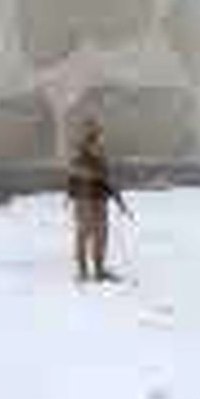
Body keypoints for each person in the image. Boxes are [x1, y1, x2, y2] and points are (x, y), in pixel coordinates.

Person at [66, 117, 129, 282]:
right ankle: (83, 270)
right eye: (90, 128)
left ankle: (99, 269)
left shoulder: (99, 149)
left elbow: (107, 175)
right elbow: (74, 171)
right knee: (84, 233)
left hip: (99, 198)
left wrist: (115, 193)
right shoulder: (78, 150)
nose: (94, 132)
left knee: (101, 235)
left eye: (95, 129)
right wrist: (93, 174)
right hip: (84, 197)